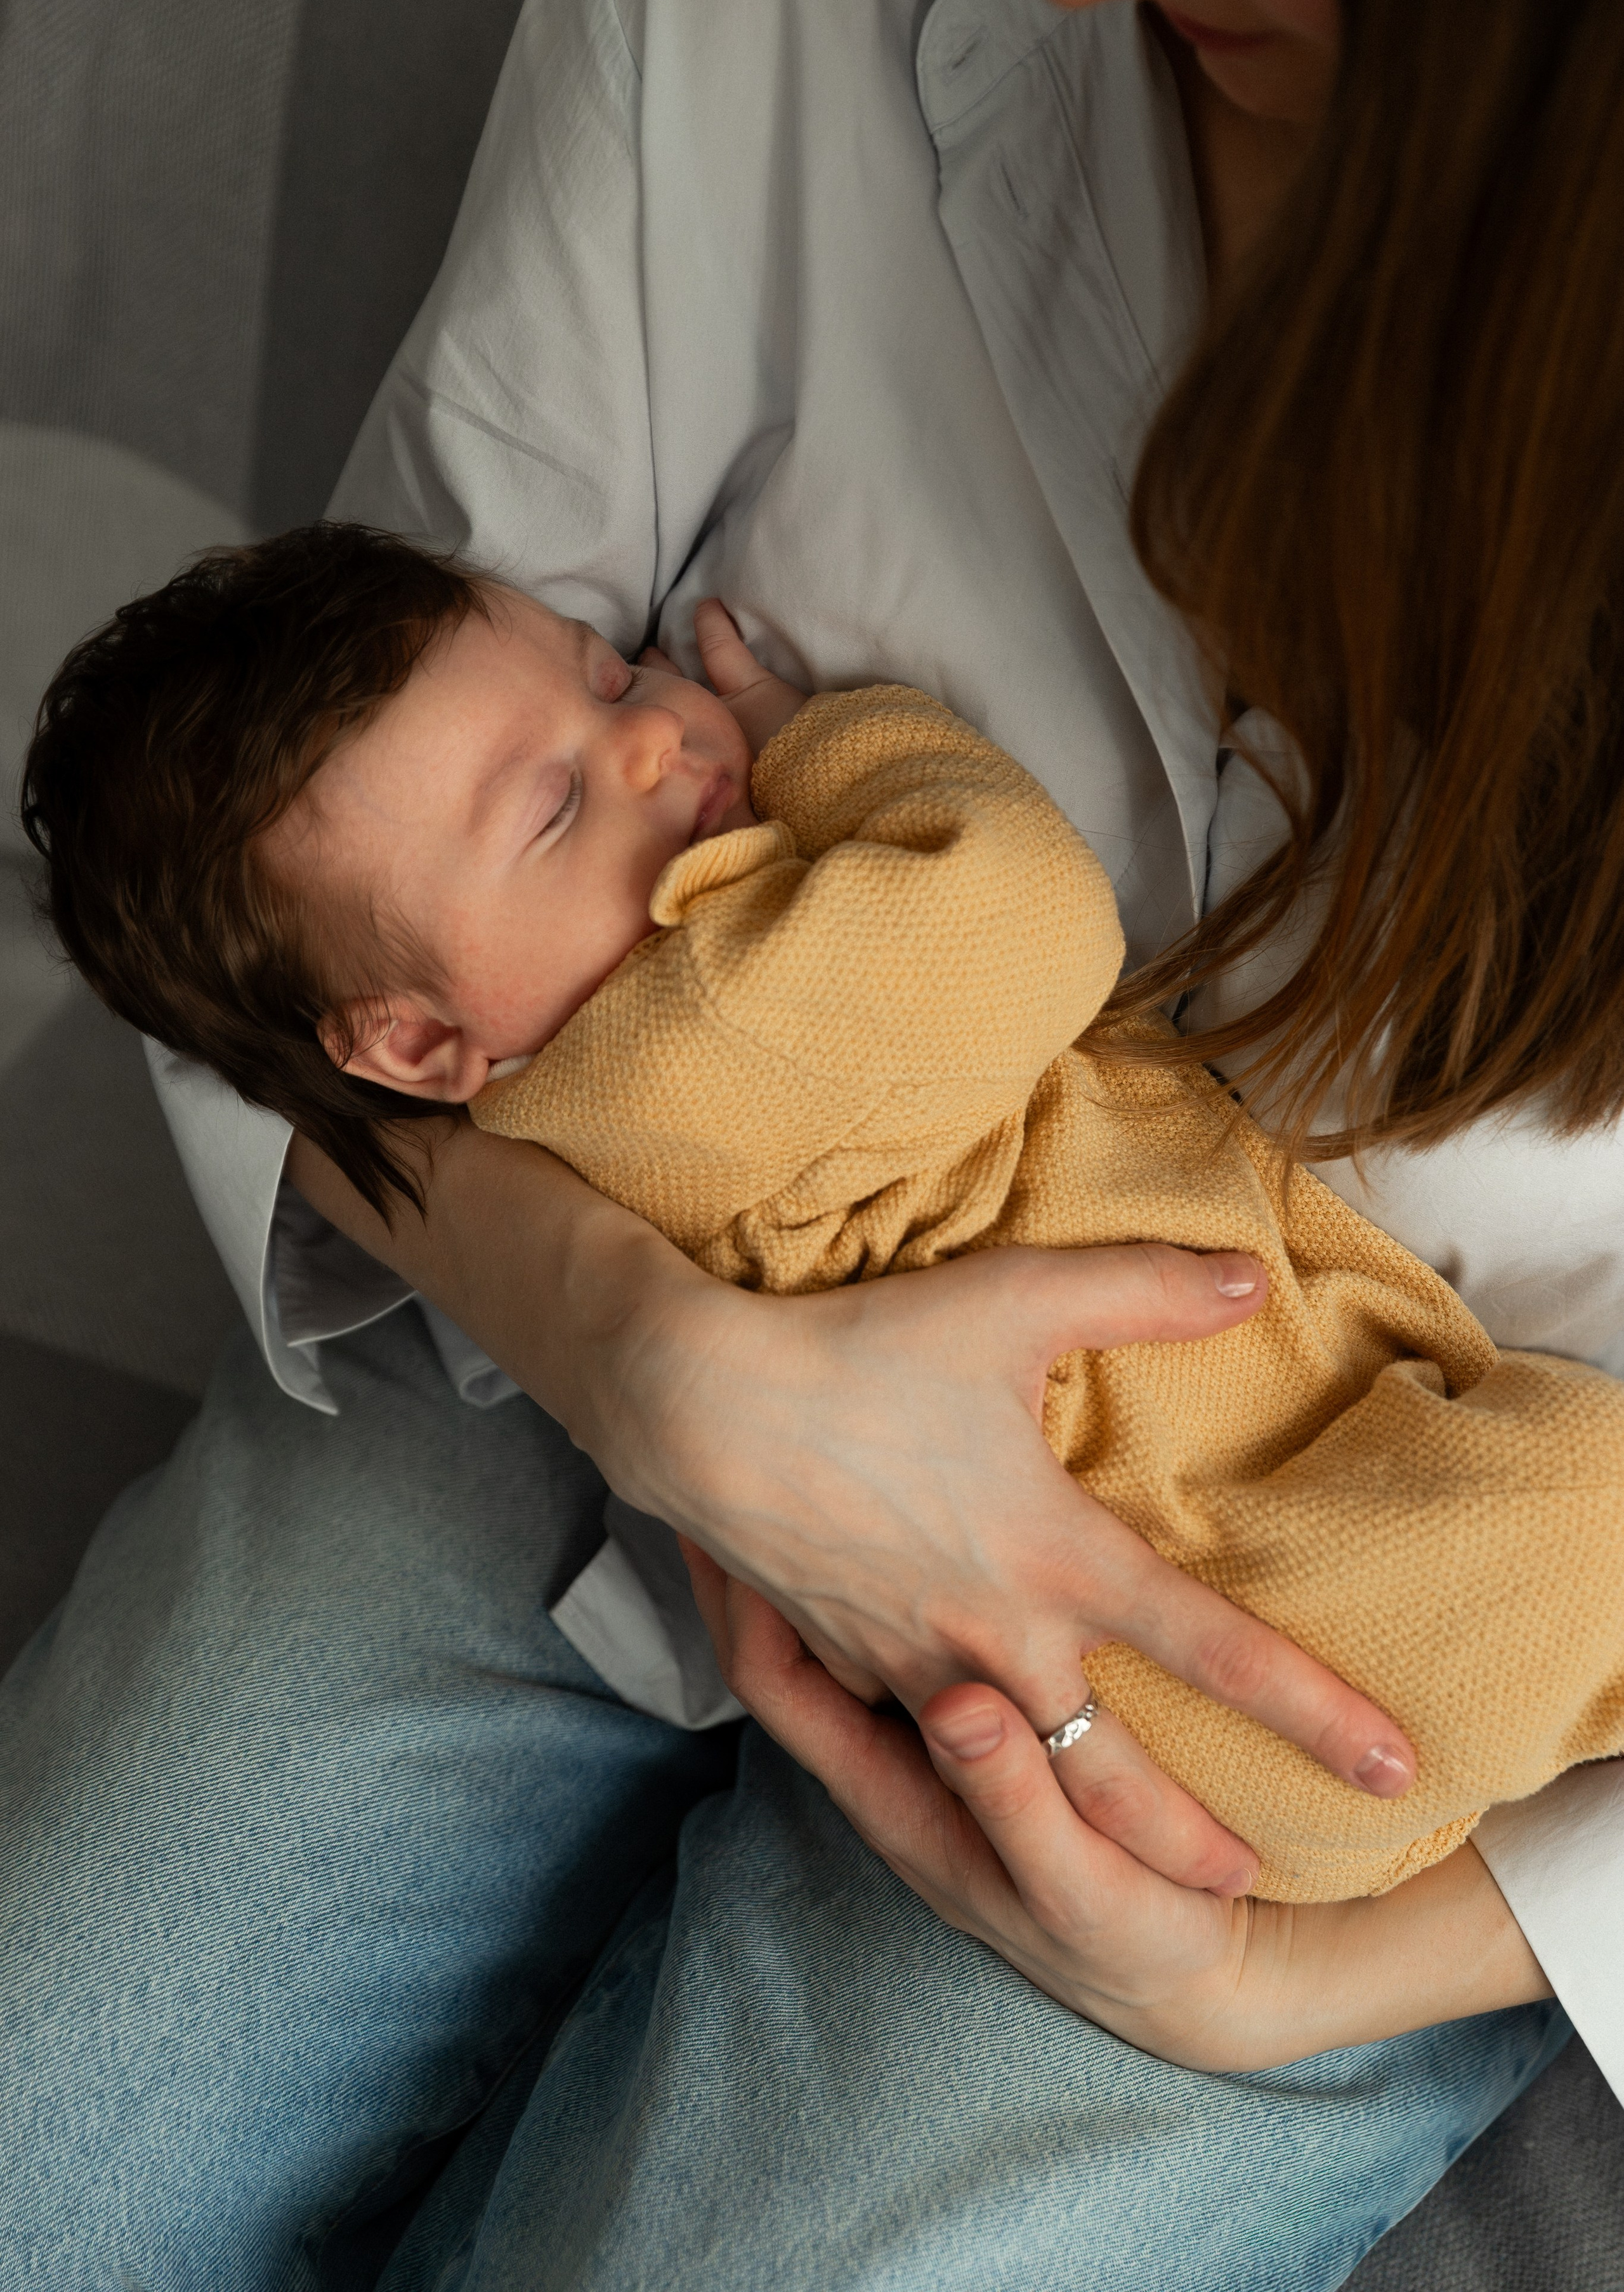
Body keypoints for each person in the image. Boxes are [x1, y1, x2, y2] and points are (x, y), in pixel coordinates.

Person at [3, 0, 1620, 2286]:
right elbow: (312, 865)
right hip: (546, 1341)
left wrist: (1275, 1975)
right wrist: (655, 1361)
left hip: (1298, 1627)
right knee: (48, 2122)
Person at [24, 520, 1624, 1909]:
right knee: (1575, 1513)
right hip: (1208, 1602)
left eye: (601, 672)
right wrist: (838, 742)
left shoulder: (567, 1072)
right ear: (425, 1049)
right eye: (557, 812)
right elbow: (1025, 916)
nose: (654, 737)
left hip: (1183, 1619)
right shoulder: (711, 1022)